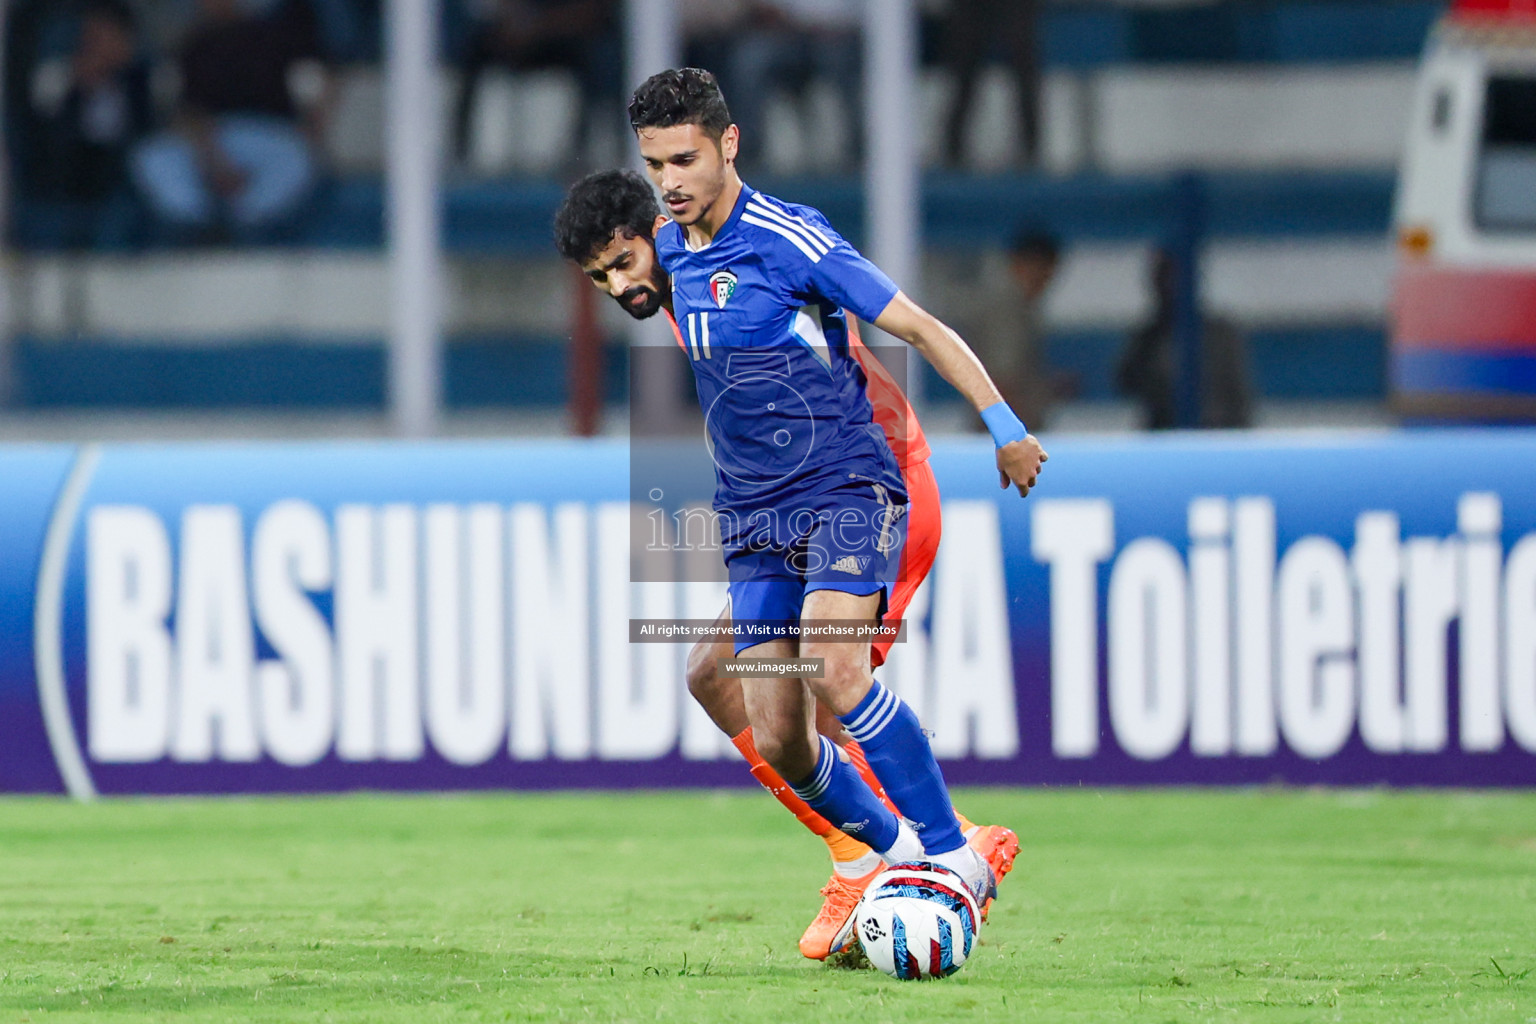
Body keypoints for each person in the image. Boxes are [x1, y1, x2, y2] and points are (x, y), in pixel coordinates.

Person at [555, 168, 1020, 960]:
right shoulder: (683, 294)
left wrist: (1002, 420)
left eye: (622, 261)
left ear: (657, 232)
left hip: (879, 489)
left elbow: (893, 325)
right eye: (599, 277)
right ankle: (864, 852)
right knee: (714, 674)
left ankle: (937, 850)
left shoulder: (745, 255)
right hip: (788, 510)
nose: (616, 285)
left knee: (820, 681)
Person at [626, 68, 1046, 921]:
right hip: (756, 514)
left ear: (728, 143)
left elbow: (920, 326)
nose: (668, 182)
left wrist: (1004, 426)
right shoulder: (670, 250)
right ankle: (881, 857)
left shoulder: (792, 239)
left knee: (833, 664)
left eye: (683, 158)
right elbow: (634, 271)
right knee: (767, 718)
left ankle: (954, 854)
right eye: (653, 165)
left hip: (850, 483)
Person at [130, 0, 328, 241]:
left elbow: (326, 73)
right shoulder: (195, 42)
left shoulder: (274, 33)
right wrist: (214, 160)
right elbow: (188, 112)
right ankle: (200, 225)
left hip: (267, 134)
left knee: (299, 156)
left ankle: (242, 224)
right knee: (152, 156)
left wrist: (314, 125)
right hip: (212, 136)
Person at [7, 0, 154, 250]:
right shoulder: (56, 78)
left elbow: (144, 137)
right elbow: (37, 127)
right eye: (92, 37)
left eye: (106, 37)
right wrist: (77, 81)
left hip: (113, 188)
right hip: (60, 184)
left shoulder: (137, 83)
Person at [1117, 247, 1253, 429]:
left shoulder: (1221, 335)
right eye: (1161, 278)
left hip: (1216, 438)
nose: (1168, 286)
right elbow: (1126, 382)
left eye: (1172, 276)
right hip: (1164, 439)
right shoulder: (1149, 337)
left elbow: (1239, 397)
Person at [963, 229, 1064, 433]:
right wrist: (1011, 436)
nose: (1045, 279)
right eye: (1040, 269)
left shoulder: (1018, 309)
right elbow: (1001, 382)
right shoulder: (1007, 311)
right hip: (1004, 440)